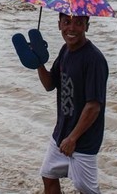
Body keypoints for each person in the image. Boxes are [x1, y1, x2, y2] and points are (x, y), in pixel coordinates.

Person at [37, 13, 108, 194]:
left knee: (86, 189)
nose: (72, 28)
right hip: (61, 133)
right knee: (48, 175)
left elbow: (94, 106)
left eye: (78, 23)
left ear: (87, 26)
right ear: (59, 24)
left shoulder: (94, 59)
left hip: (83, 140)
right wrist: (37, 62)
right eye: (67, 22)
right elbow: (49, 84)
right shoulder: (65, 51)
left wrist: (73, 139)